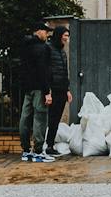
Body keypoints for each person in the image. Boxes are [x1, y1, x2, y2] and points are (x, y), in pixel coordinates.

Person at [15, 19, 57, 162]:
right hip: (39, 88)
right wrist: (47, 92)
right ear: (38, 31)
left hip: (28, 87)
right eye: (45, 31)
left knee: (25, 118)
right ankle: (38, 152)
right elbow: (43, 71)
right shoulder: (43, 48)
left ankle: (26, 151)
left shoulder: (25, 46)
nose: (47, 35)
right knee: (40, 118)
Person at [44, 26, 73, 157]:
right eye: (64, 36)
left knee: (56, 119)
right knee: (51, 118)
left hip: (61, 90)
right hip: (53, 90)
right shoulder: (49, 49)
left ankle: (50, 144)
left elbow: (64, 72)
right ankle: (47, 145)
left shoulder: (62, 52)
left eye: (67, 36)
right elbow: (46, 71)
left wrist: (67, 90)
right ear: (59, 36)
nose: (66, 39)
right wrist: (48, 91)